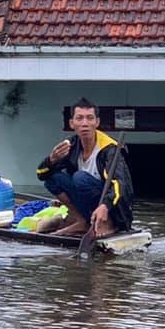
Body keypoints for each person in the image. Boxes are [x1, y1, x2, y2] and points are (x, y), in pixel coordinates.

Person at [36, 97, 134, 238]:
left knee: (80, 177)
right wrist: (51, 160)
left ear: (97, 122)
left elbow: (121, 184)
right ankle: (82, 221)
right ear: (72, 123)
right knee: (53, 178)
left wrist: (105, 206)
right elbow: (41, 174)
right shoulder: (71, 145)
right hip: (88, 206)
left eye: (90, 118)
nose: (85, 124)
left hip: (115, 212)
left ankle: (108, 224)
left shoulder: (110, 149)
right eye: (79, 119)